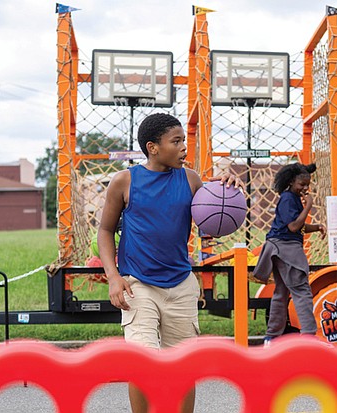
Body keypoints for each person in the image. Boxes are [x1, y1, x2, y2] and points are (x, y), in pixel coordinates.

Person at [97, 113, 243, 413]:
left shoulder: (190, 179)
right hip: (137, 284)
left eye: (183, 141)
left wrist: (228, 188)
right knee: (142, 362)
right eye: (175, 142)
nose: (183, 148)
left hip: (180, 284)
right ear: (153, 147)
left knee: (183, 366)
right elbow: (105, 230)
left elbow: (210, 219)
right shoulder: (125, 181)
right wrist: (113, 276)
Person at [252, 163, 326, 345]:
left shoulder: (291, 198)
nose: (305, 188)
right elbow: (294, 227)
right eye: (302, 184)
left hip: (279, 246)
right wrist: (308, 206)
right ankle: (309, 336)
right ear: (291, 181)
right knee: (301, 290)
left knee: (281, 291)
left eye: (308, 184)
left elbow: (297, 226)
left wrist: (317, 227)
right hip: (286, 248)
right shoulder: (288, 198)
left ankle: (272, 337)